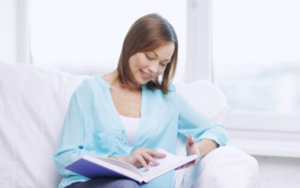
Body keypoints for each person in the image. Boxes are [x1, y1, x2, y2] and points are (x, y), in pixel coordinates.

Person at [53, 13, 228, 188]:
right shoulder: (89, 92)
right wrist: (123, 161)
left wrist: (197, 152)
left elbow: (216, 130)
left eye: (163, 63)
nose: (153, 69)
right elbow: (64, 157)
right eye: (150, 57)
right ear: (131, 46)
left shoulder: (168, 98)